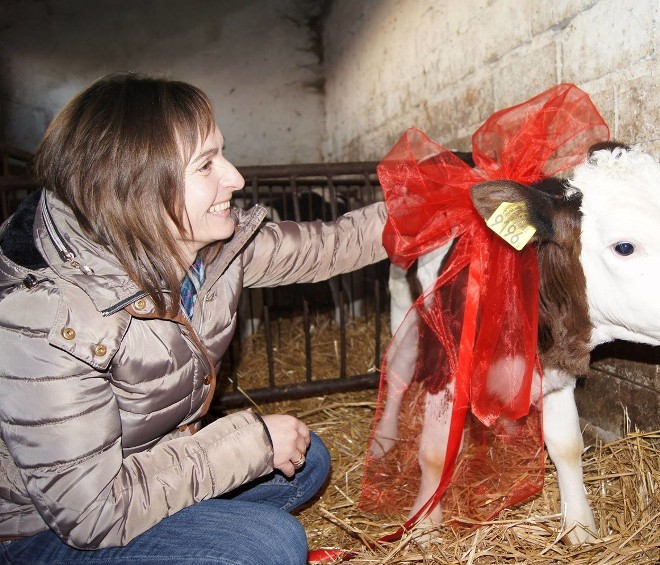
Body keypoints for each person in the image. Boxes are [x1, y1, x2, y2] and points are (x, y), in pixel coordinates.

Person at [0, 73, 388, 564]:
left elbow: (325, 246)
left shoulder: (201, 250)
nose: (236, 178)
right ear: (135, 186)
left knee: (308, 461)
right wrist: (249, 443)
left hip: (147, 467)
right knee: (269, 543)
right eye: (206, 164)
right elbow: (92, 510)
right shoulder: (50, 318)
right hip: (43, 530)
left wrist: (428, 209)